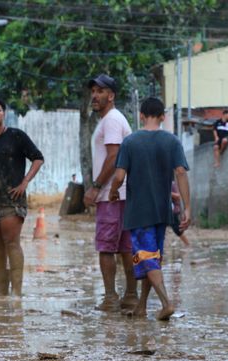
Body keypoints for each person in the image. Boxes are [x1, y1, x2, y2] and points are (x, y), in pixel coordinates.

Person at [110, 97, 191, 321]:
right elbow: (181, 173)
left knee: (147, 257)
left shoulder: (130, 142)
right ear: (163, 117)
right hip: (162, 211)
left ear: (141, 116)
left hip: (139, 211)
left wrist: (112, 191)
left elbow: (119, 175)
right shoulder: (172, 141)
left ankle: (166, 303)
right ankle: (142, 307)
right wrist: (187, 208)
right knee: (152, 258)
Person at [0, 97, 44, 297]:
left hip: (12, 201)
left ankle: (17, 292)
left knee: (12, 243)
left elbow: (38, 158)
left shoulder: (16, 136)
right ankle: (0, 291)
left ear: (4, 113)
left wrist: (24, 183)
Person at [83, 74, 138, 312]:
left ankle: (110, 297)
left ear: (111, 96)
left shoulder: (112, 120)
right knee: (125, 247)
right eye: (93, 91)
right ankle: (130, 296)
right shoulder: (111, 119)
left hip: (112, 193)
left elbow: (114, 157)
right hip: (122, 193)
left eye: (100, 91)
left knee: (106, 247)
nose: (95, 95)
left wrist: (96, 186)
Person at [170, 181, 190, 246]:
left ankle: (188, 245)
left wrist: (168, 193)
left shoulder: (172, 184)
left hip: (174, 210)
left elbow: (178, 196)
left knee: (177, 229)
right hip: (165, 210)